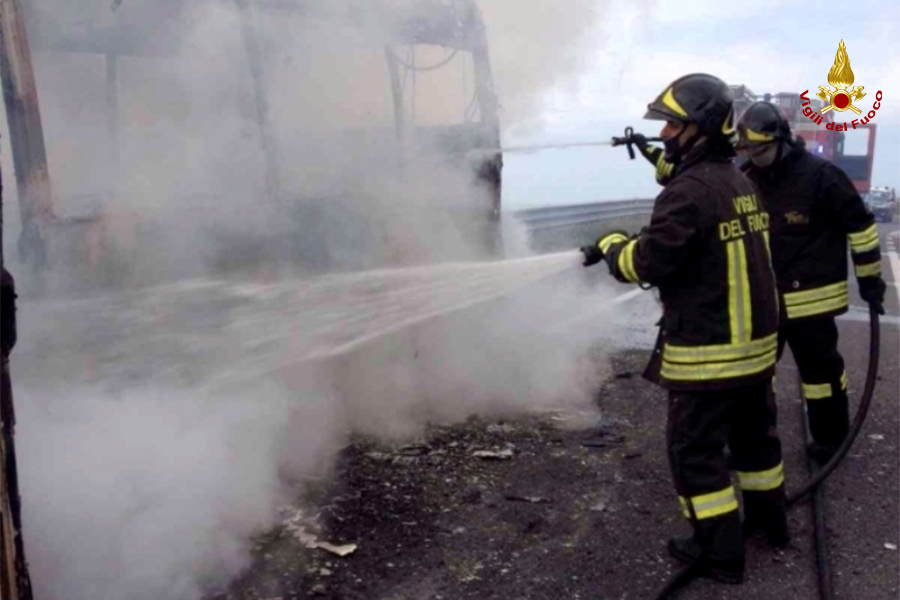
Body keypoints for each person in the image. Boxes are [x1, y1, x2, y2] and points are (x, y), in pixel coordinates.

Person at [580, 74, 788, 584]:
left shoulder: (689, 193)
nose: (665, 133)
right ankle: (769, 524)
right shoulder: (738, 181)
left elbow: (648, 262)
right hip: (757, 352)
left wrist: (612, 248)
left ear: (700, 129)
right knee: (756, 444)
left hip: (709, 354)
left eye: (674, 123)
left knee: (695, 455)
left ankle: (719, 552)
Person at [736, 101, 887, 462]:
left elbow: (861, 230)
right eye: (749, 151)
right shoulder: (747, 180)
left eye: (762, 149)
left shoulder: (823, 177)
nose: (756, 157)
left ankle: (831, 440)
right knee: (753, 376)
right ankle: (751, 441)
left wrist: (871, 282)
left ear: (782, 141)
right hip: (765, 303)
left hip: (813, 304)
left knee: (821, 376)